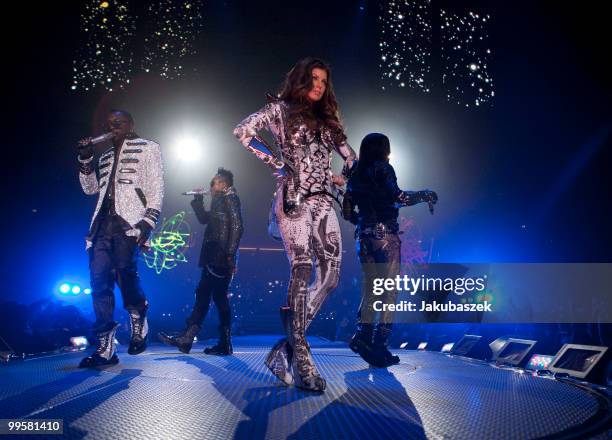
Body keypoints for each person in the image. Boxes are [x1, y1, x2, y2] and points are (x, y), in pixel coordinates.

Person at [234, 57, 356, 391]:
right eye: (314, 79)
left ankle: (285, 350)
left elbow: (352, 157)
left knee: (330, 278)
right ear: (301, 80)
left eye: (323, 81)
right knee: (302, 268)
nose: (319, 85)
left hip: (324, 201)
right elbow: (242, 131)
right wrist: (276, 161)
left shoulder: (328, 121)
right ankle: (302, 359)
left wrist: (340, 179)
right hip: (293, 200)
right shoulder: (280, 110)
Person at [77, 110, 164, 367]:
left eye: (118, 122)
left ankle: (138, 316)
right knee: (98, 282)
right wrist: (85, 159)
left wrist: (148, 221)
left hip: (129, 222)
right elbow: (90, 189)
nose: (113, 126)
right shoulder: (104, 156)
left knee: (126, 272)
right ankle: (105, 349)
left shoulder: (148, 147)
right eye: (109, 123)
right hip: (102, 225)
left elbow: (156, 185)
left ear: (131, 124)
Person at [343, 133, 437, 367]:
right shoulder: (384, 169)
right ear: (383, 149)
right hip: (385, 236)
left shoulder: (354, 174)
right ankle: (379, 344)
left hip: (363, 237)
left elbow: (346, 211)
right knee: (389, 292)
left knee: (371, 288)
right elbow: (400, 197)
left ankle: (362, 335)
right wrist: (425, 194)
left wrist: (365, 223)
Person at [159, 168, 243, 355]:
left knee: (206, 296)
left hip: (219, 257)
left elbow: (237, 227)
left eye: (213, 183)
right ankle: (210, 341)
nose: (210, 186)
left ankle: (190, 338)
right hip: (215, 257)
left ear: (223, 184)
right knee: (213, 297)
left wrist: (229, 255)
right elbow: (205, 219)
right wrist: (198, 200)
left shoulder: (230, 199)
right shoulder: (220, 200)